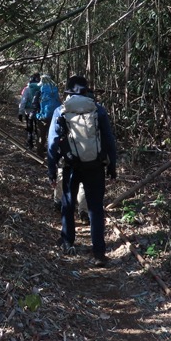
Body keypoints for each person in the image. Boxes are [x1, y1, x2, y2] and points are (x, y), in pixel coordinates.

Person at [47, 75, 117, 267]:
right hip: (95, 165)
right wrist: (112, 165)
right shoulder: (98, 110)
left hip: (71, 165)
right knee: (95, 207)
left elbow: (52, 143)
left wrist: (51, 169)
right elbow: (109, 140)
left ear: (68, 92)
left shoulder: (60, 111)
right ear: (87, 91)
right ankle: (99, 252)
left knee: (68, 203)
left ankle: (68, 240)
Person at [34, 74, 61, 156]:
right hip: (54, 117)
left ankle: (39, 154)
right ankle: (53, 155)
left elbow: (34, 104)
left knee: (41, 137)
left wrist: (36, 113)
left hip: (42, 117)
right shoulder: (55, 90)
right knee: (52, 136)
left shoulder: (40, 91)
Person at [18, 73, 41, 149]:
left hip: (28, 111)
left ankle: (30, 143)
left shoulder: (27, 89)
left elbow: (23, 101)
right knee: (38, 128)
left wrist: (20, 112)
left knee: (29, 127)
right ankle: (40, 145)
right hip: (39, 111)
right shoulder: (42, 88)